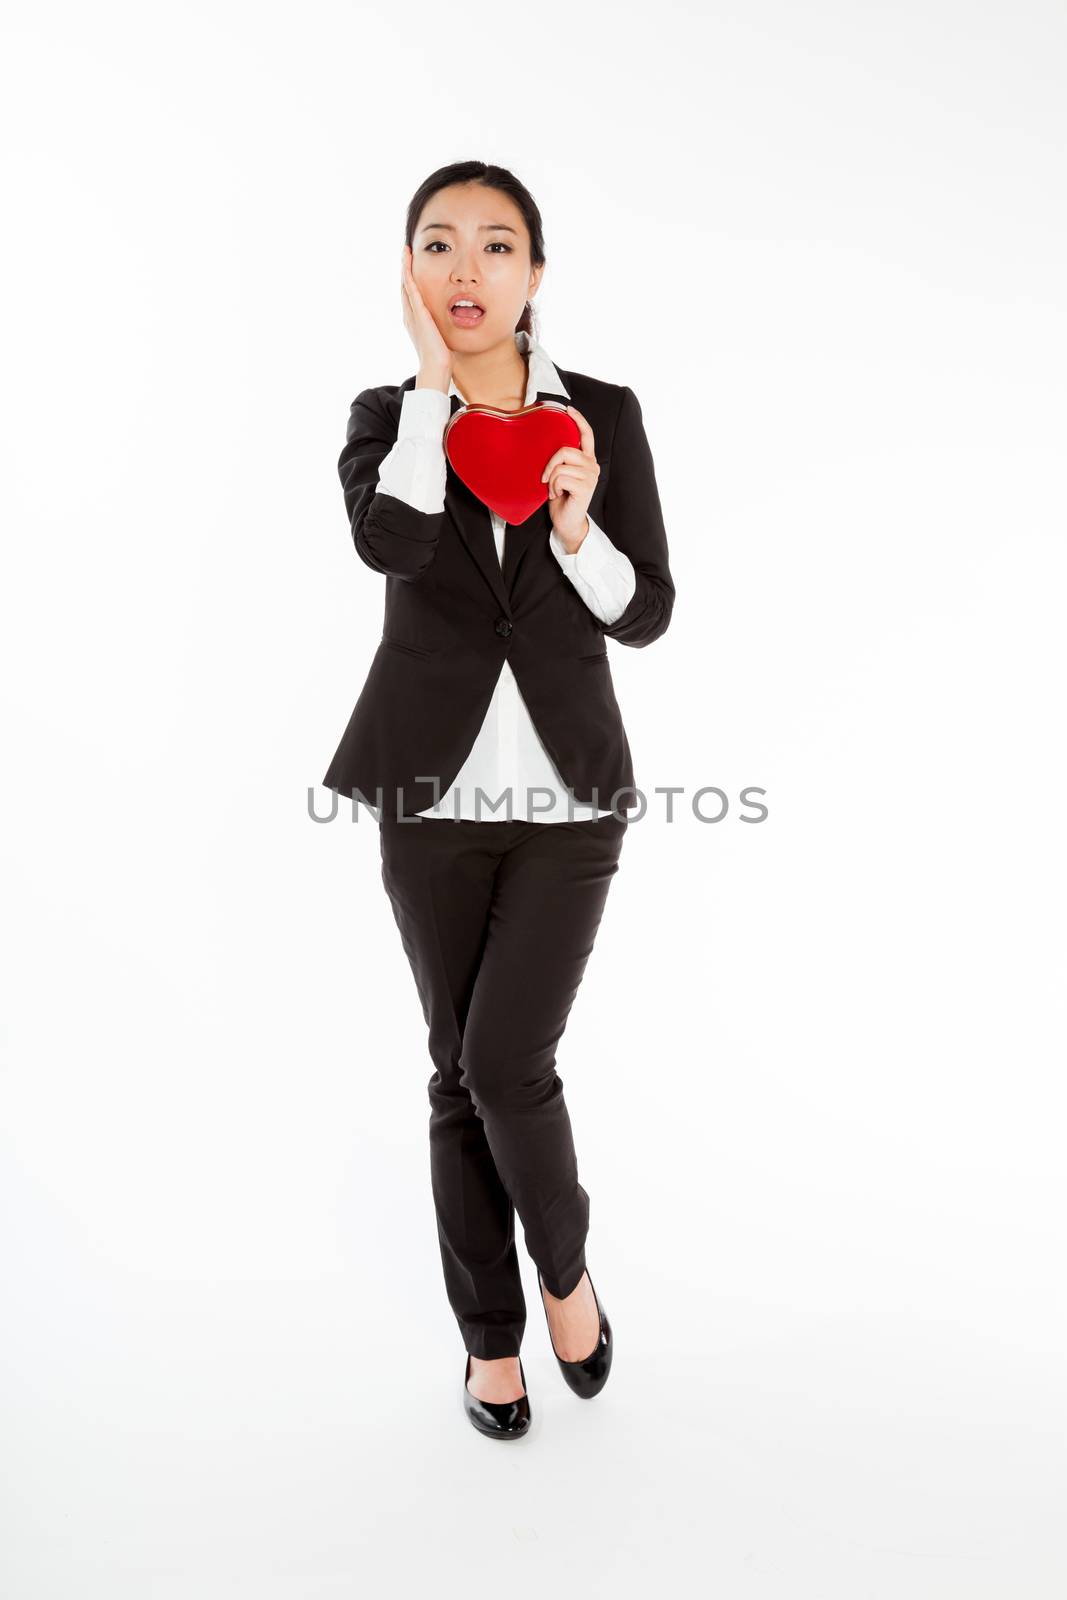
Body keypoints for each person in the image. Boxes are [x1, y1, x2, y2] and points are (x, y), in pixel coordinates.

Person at [323, 161, 675, 1439]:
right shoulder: (383, 417)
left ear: (536, 274)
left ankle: (565, 1275)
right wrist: (427, 390)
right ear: (409, 271)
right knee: (451, 1069)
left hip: (571, 802)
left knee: (502, 1058)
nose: (465, 271)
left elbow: (648, 615)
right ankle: (490, 1344)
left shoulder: (605, 417)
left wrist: (579, 532)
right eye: (437, 245)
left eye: (494, 246)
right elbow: (395, 545)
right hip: (425, 793)